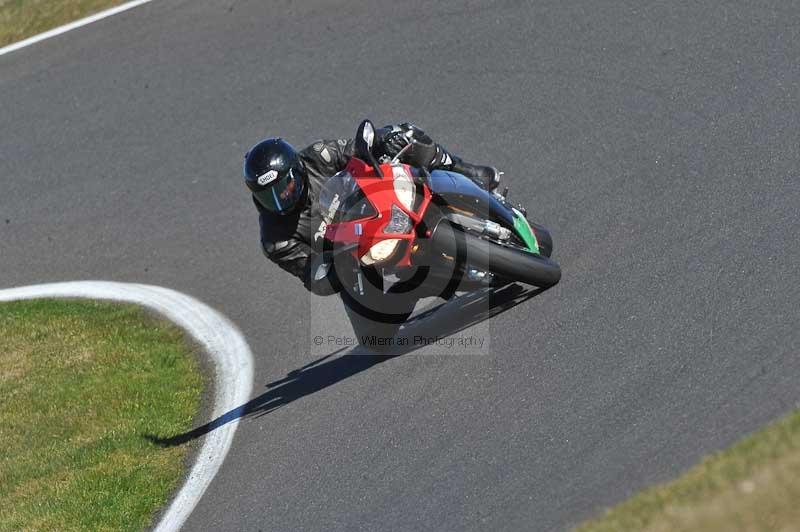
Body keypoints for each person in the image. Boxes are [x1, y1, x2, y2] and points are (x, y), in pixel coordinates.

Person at [242, 122, 500, 296]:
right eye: (269, 196)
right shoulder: (277, 241)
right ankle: (444, 280)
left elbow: (360, 150)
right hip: (363, 254)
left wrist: (383, 143)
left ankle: (465, 171)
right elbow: (313, 279)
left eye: (284, 186)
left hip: (381, 201)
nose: (281, 198)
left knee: (404, 133)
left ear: (296, 170)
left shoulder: (320, 156)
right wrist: (337, 267)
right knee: (377, 312)